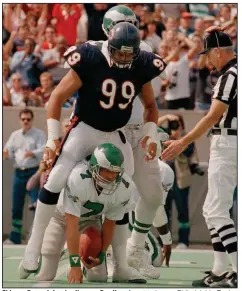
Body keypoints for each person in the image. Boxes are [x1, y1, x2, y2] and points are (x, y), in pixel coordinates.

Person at [20, 21, 166, 277]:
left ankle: (121, 265)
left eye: (127, 54)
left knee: (125, 191)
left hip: (116, 133)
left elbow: (151, 106)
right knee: (55, 178)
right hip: (85, 128)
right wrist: (53, 138)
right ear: (109, 46)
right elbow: (56, 98)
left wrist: (151, 133)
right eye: (117, 53)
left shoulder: (143, 64)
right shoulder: (89, 58)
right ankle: (32, 249)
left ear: (135, 52)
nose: (122, 59)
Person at [162, 27, 237, 288]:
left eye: (209, 55)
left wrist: (183, 141)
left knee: (216, 210)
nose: (206, 60)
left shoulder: (231, 76)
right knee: (212, 209)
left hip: (229, 142)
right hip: (229, 140)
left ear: (218, 51)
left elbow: (213, 115)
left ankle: (237, 269)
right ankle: (220, 268)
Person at [101, 5, 172, 276]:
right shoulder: (96, 50)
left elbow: (160, 78)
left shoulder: (142, 55)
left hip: (140, 131)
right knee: (112, 195)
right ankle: (110, 254)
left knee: (153, 195)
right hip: (111, 130)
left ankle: (135, 249)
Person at [29, 143, 145, 284]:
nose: (111, 176)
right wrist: (75, 265)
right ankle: (43, 259)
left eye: (115, 171)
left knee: (98, 277)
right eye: (107, 170)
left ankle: (83, 266)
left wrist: (102, 254)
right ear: (94, 168)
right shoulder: (79, 178)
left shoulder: (124, 187)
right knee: (45, 275)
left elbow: (109, 223)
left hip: (90, 219)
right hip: (61, 217)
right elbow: (72, 223)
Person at [3, 108, 46, 244]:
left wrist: (32, 153)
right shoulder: (15, 135)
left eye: (28, 119)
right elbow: (8, 149)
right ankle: (15, 237)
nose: (26, 121)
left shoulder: (38, 134)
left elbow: (44, 149)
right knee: (17, 206)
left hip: (33, 172)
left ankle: (36, 238)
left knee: (36, 205)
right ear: (20, 120)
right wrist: (6, 153)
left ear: (31, 120)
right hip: (18, 173)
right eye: (23, 119)